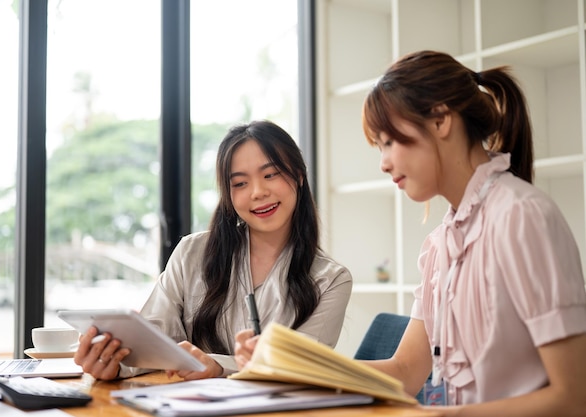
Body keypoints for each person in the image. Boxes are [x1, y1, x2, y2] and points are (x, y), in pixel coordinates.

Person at [236, 51, 586, 415]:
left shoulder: (521, 217)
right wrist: (289, 371)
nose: (384, 162)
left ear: (440, 121)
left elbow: (574, 398)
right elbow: (404, 373)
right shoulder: (440, 245)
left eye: (389, 141)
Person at [74, 120, 353, 381]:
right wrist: (113, 363)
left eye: (271, 174)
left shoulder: (330, 279)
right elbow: (154, 341)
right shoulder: (191, 253)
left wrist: (219, 366)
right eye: (240, 183)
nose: (257, 192)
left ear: (299, 176)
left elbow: (302, 367)